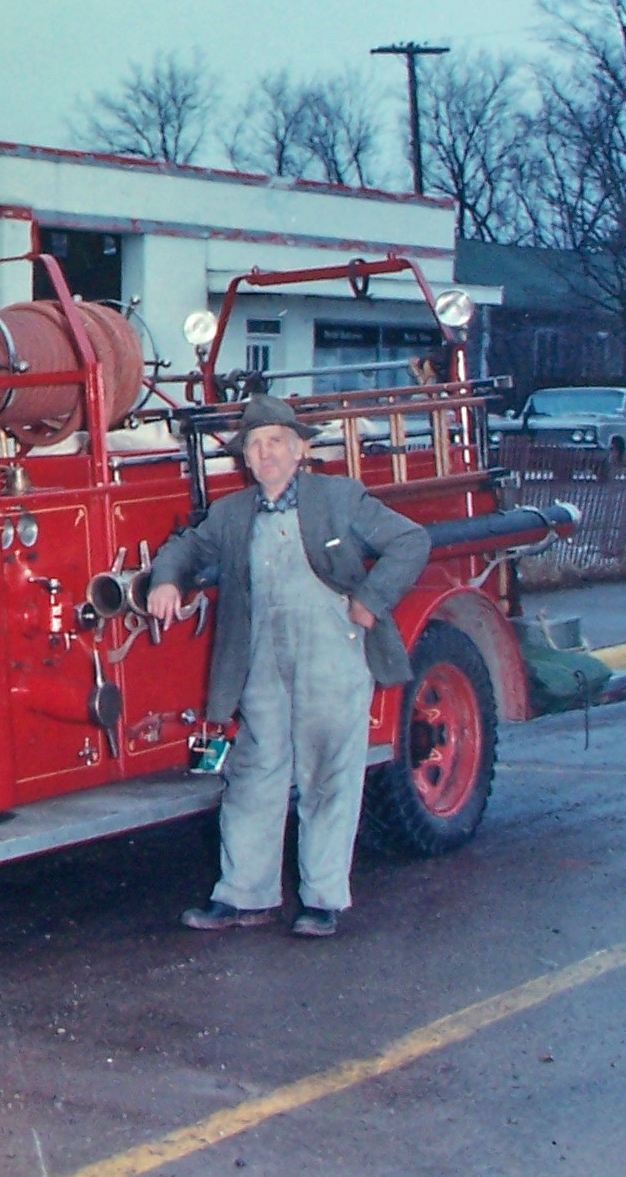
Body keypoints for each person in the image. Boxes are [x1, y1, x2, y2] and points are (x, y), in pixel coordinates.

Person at [145, 394, 428, 938]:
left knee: (326, 771)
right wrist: (165, 579)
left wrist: (371, 598)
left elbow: (410, 540)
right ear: (245, 459)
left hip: (331, 649)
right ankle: (244, 895)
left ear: (300, 449)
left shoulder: (339, 497)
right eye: (255, 444)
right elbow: (185, 548)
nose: (266, 452)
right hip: (262, 659)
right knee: (253, 771)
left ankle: (322, 899)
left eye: (277, 441)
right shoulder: (232, 513)